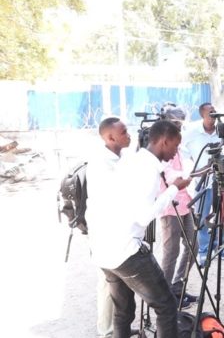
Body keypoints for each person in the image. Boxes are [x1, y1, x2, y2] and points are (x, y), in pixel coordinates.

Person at [89, 120, 190, 338]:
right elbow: (144, 216)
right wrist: (173, 189)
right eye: (175, 146)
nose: (176, 152)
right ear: (164, 141)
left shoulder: (134, 160)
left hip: (103, 249)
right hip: (125, 251)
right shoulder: (146, 170)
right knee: (166, 305)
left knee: (123, 311)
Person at [86, 117, 132, 338]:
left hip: (119, 235)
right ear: (110, 137)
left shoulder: (121, 157)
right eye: (124, 132)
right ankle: (106, 331)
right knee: (107, 286)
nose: (129, 134)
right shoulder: (101, 164)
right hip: (105, 236)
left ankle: (120, 327)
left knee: (121, 285)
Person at [157, 107, 198, 309]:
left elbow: (186, 169)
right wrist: (183, 177)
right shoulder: (161, 146)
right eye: (174, 123)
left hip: (186, 203)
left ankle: (177, 286)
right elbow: (167, 174)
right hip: (169, 206)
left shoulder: (179, 146)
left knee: (193, 246)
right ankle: (165, 298)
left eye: (180, 123)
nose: (178, 127)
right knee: (170, 252)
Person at [182, 102, 220, 266]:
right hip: (202, 182)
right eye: (210, 112)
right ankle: (204, 250)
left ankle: (221, 246)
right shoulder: (192, 132)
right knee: (202, 217)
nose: (213, 114)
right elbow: (183, 155)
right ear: (202, 114)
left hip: (221, 179)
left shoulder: (221, 130)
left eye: (214, 111)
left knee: (221, 214)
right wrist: (198, 170)